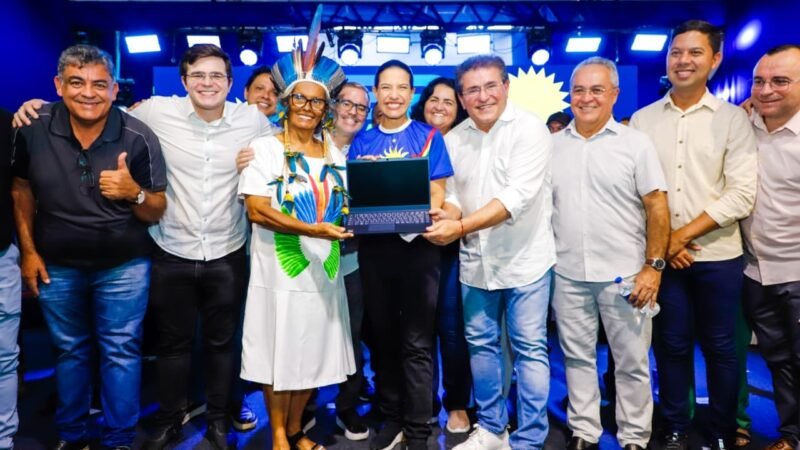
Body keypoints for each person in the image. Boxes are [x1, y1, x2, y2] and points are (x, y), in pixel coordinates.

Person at [10, 44, 167, 450]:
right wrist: (27, 251)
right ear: (58, 85)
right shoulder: (31, 125)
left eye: (100, 84)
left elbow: (157, 208)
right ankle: (72, 435)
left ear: (115, 90)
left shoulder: (138, 136)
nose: (88, 93)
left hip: (124, 266)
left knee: (120, 352)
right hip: (56, 264)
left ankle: (118, 439)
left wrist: (134, 193)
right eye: (76, 82)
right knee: (70, 352)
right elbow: (20, 189)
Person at [630, 20, 757, 450]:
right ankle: (676, 428)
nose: (683, 61)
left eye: (695, 52)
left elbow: (740, 195)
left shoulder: (733, 120)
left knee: (723, 349)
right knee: (671, 347)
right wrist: (666, 246)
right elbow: (636, 193)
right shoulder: (643, 120)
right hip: (665, 261)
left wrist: (679, 235)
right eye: (676, 52)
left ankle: (723, 430)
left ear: (716, 60)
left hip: (718, 256)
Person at [424, 54, 555, 450]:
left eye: (490, 86)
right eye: (472, 90)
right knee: (481, 347)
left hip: (525, 260)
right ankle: (493, 429)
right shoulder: (454, 139)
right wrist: (442, 214)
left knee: (529, 349)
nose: (482, 97)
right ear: (462, 98)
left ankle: (530, 439)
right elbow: (454, 196)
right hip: (475, 263)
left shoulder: (530, 130)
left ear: (506, 87)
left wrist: (458, 226)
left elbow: (516, 196)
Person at [238, 43, 355, 450]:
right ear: (287, 102)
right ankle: (277, 435)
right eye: (300, 98)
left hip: (325, 271)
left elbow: (346, 206)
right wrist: (314, 229)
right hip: (278, 271)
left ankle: (294, 429)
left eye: (317, 102)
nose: (308, 107)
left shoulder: (336, 153)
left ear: (326, 109)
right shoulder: (265, 149)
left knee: (312, 354)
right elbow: (256, 209)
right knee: (279, 353)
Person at [551, 57, 669, 450]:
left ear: (614, 94)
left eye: (596, 90)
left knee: (632, 364)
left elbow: (657, 206)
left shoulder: (636, 144)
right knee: (576, 358)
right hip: (566, 273)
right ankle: (584, 431)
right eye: (579, 90)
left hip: (625, 275)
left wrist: (653, 268)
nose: (586, 98)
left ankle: (635, 436)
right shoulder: (551, 146)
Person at [349, 59, 454, 450]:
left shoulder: (429, 136)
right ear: (376, 92)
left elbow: (437, 194)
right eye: (386, 87)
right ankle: (391, 417)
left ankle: (418, 429)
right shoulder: (361, 141)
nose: (393, 95)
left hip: (419, 251)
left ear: (412, 93)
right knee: (383, 338)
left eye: (402, 87)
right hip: (375, 251)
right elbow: (356, 197)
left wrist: (400, 198)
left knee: (417, 343)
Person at [741, 44, 800, 450]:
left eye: (780, 81)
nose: (766, 90)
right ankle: (792, 435)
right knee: (778, 361)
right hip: (754, 271)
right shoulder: (745, 125)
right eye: (760, 81)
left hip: (797, 272)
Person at [410, 77, 472, 434]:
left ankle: (458, 403)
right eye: (434, 99)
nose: (440, 107)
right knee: (417, 331)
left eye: (449, 101)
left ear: (459, 107)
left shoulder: (466, 142)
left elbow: (468, 192)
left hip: (450, 247)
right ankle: (423, 402)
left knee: (451, 331)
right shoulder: (410, 137)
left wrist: (452, 211)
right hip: (411, 247)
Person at [329, 81, 373, 441]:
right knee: (308, 334)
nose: (354, 112)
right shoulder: (306, 144)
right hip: (307, 259)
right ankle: (306, 406)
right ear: (332, 105)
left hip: (352, 260)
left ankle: (347, 406)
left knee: (350, 335)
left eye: (362, 107)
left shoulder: (367, 151)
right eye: (348, 103)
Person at [0, 107, 21, 450]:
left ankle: (3, 439)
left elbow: (22, 188)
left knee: (4, 359)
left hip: (1, 253)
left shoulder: (8, 123)